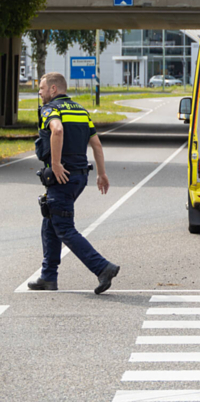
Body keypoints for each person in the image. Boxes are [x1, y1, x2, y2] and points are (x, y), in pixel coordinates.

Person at [28, 73, 120, 294]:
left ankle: (102, 267)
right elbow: (96, 144)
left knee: (64, 228)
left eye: (41, 88)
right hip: (80, 176)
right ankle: (48, 277)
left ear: (52, 89)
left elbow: (57, 130)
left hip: (62, 177)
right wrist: (102, 174)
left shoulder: (51, 109)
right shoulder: (80, 110)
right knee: (50, 221)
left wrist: (57, 164)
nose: (39, 92)